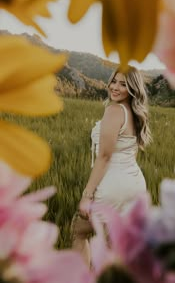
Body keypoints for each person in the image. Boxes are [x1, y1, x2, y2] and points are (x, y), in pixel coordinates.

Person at [70, 65, 152, 266]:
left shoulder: (114, 110)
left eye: (123, 84)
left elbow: (105, 156)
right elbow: (130, 151)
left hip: (112, 186)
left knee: (80, 231)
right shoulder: (134, 112)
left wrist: (87, 194)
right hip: (134, 184)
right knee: (113, 246)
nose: (115, 87)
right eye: (114, 81)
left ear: (132, 89)